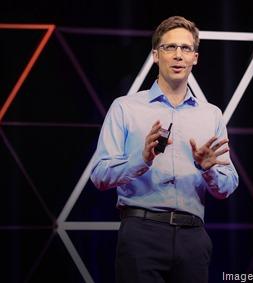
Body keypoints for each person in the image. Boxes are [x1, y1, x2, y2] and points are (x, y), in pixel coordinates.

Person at [90, 15, 239, 283]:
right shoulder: (125, 108)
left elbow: (227, 186)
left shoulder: (211, 115)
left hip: (193, 237)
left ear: (195, 57)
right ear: (156, 55)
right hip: (141, 233)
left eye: (186, 48)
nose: (178, 55)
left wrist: (209, 170)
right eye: (170, 47)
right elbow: (100, 176)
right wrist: (141, 159)